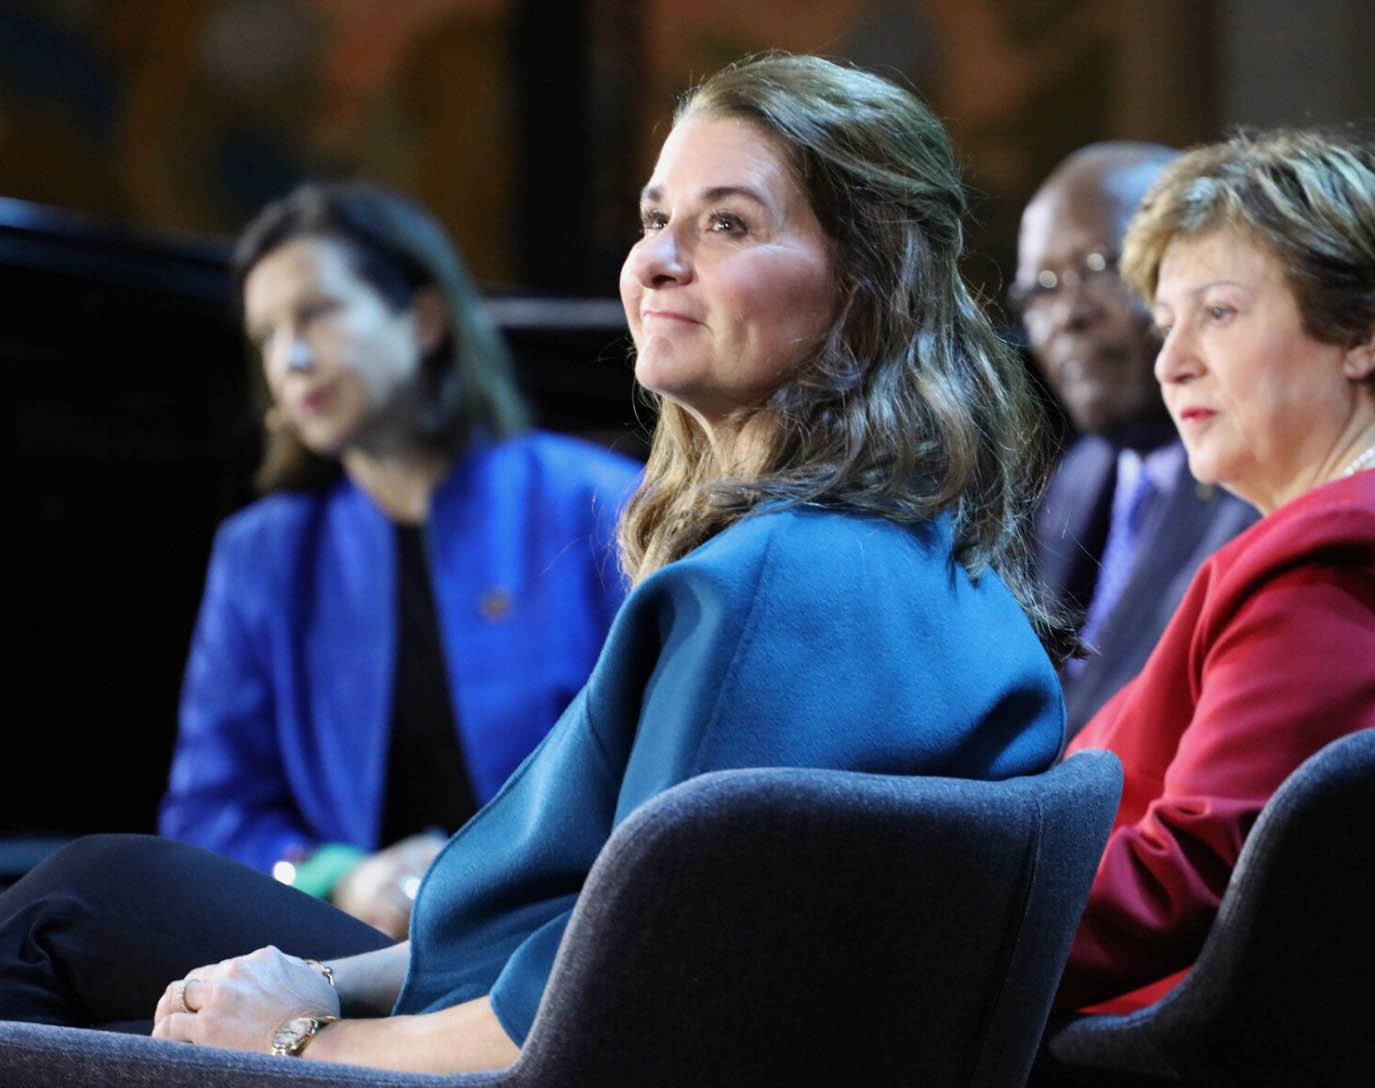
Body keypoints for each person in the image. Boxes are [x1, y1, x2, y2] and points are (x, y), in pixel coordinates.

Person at [0, 54, 1070, 1071]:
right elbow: (564, 920)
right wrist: (316, 973)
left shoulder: (768, 584)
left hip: (487, 1048)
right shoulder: (927, 553)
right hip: (467, 970)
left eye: (727, 224)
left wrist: (298, 1041)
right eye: (655, 219)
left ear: (867, 279)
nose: (654, 258)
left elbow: (592, 1014)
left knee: (78, 900)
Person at [1053, 128, 1375, 1014]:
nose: (1171, 363)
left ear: (1361, 333)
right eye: (1167, 324)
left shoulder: (1349, 554)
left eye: (1220, 313)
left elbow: (1189, 884)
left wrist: (937, 929)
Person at [156, 182, 641, 940]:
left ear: (422, 320)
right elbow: (207, 813)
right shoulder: (263, 553)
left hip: (570, 939)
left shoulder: (601, 503)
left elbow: (667, 776)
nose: (293, 358)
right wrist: (339, 876)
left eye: (317, 313)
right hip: (349, 944)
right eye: (268, 335)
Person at [1015, 143, 1257, 729]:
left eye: (1097, 267)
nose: (1067, 314)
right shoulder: (1081, 473)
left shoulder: (1260, 479)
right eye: (1041, 288)